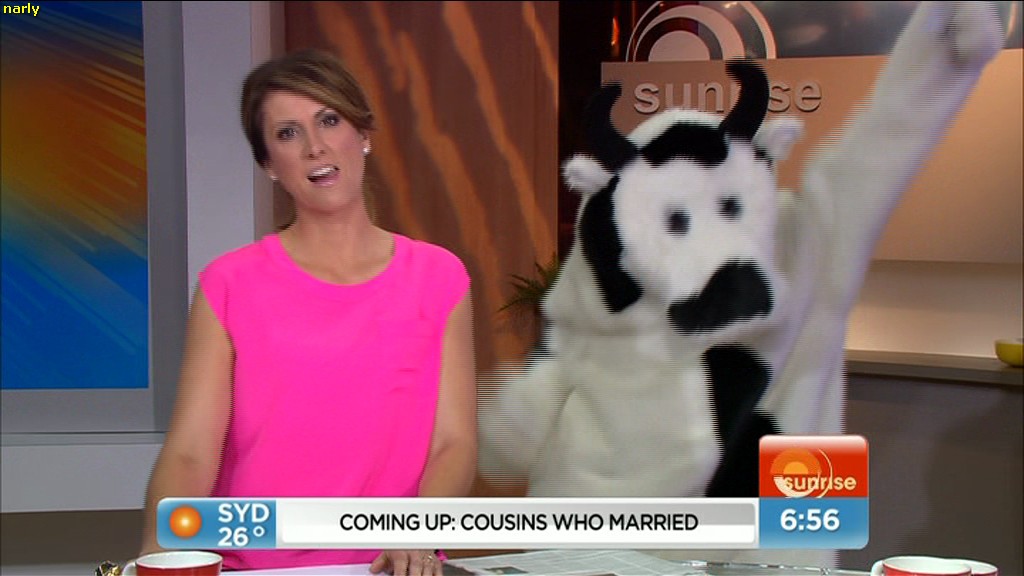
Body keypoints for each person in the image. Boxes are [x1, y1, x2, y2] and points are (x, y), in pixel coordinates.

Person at [139, 49, 478, 576]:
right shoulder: (228, 284)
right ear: (269, 164)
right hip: (255, 565)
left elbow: (454, 443)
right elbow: (190, 452)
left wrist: (419, 535)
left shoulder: (438, 277)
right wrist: (157, 559)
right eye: (288, 133)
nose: (315, 146)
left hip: (394, 564)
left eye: (329, 120)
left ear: (363, 134)